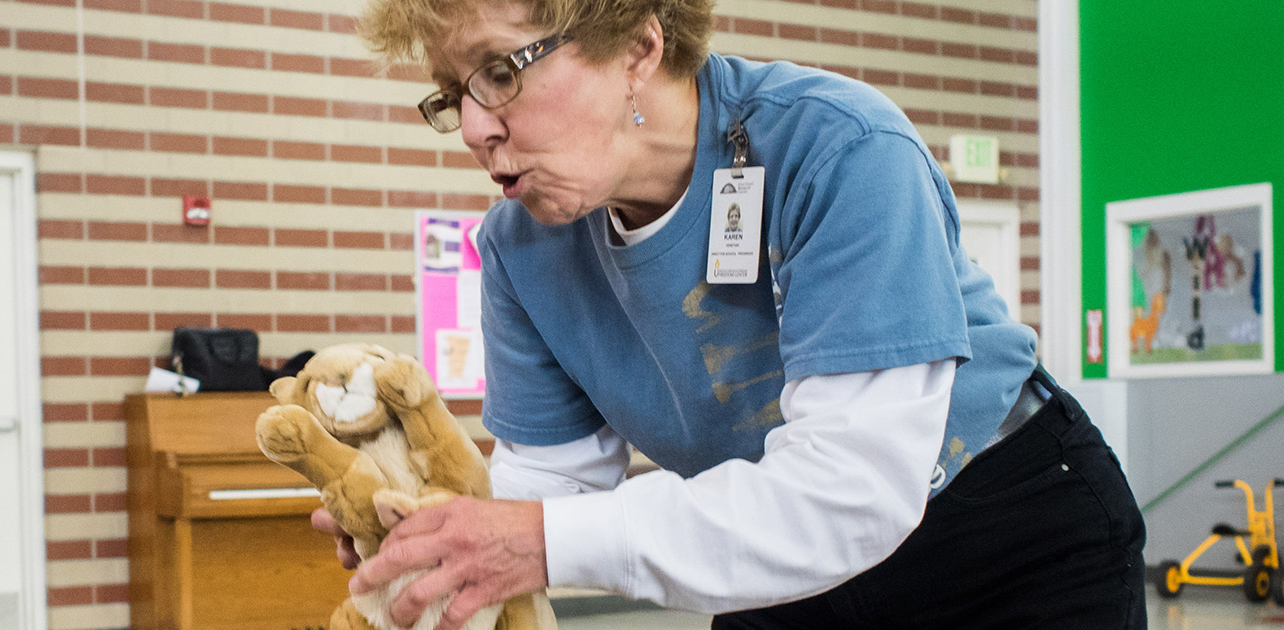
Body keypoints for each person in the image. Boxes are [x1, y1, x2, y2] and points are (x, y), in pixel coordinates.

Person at [310, 0, 1149, 628]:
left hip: (1002, 526)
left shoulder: (840, 149)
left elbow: (849, 492)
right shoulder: (520, 247)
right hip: (764, 538)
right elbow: (552, 482)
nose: (473, 129)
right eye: (453, 93)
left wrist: (533, 539)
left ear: (638, 43)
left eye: (500, 72)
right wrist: (429, 524)